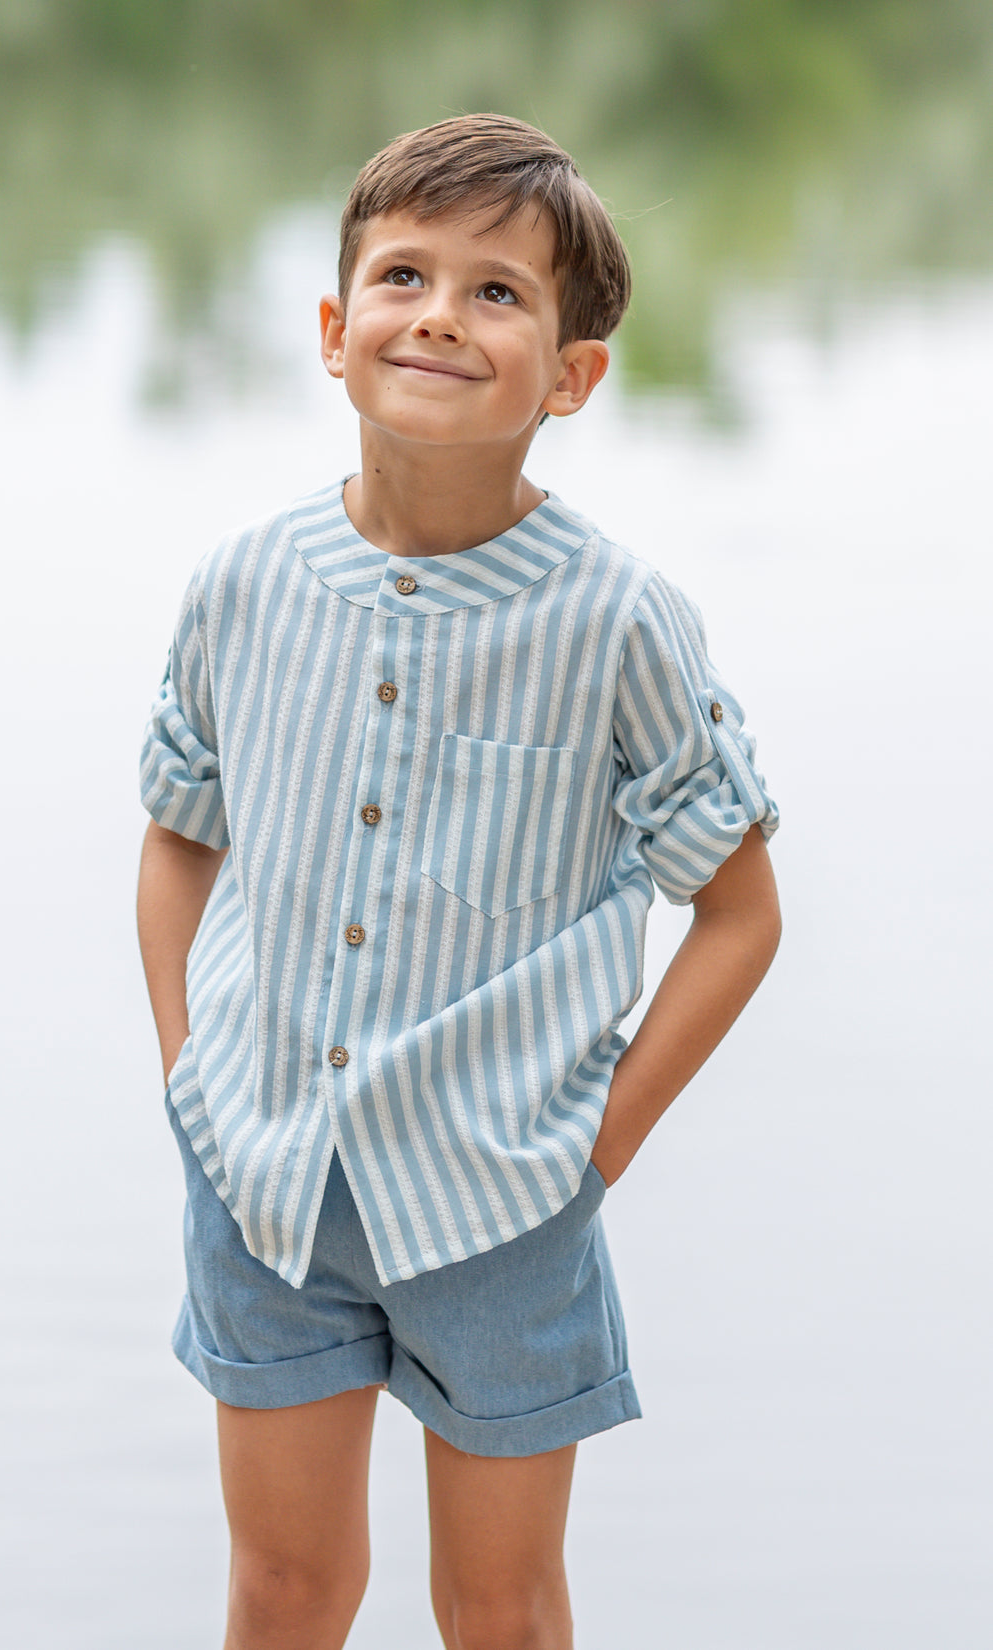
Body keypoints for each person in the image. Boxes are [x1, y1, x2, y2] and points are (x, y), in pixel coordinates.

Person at [136, 113, 780, 1650]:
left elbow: (740, 912)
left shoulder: (617, 621)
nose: (438, 314)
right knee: (284, 1591)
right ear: (333, 330)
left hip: (503, 1204)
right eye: (403, 275)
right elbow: (177, 833)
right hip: (264, 1188)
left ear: (572, 374)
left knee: (499, 1609)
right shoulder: (244, 583)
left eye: (498, 292)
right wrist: (191, 1077)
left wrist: (595, 1148)